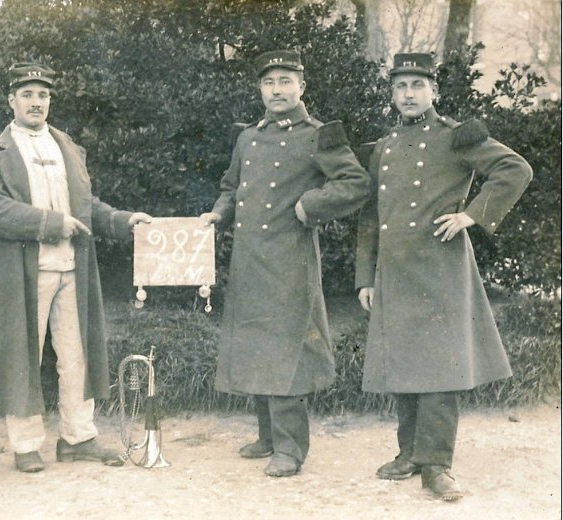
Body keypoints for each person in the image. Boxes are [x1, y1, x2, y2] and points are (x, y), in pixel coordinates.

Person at [355, 53, 532, 501]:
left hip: (439, 268)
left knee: (439, 367)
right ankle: (410, 453)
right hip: (394, 272)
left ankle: (437, 465)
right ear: (392, 94)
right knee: (405, 363)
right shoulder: (384, 146)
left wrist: (471, 216)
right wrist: (365, 277)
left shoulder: (457, 137)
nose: (409, 95)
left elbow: (515, 169)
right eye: (400, 87)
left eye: (418, 86)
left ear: (434, 91)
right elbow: (370, 216)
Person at [0, 62, 152, 473]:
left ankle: (78, 437)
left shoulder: (66, 145)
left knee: (76, 355)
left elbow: (85, 206)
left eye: (43, 95)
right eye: (28, 94)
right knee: (24, 355)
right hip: (25, 271)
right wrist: (52, 224)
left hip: (75, 267)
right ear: (11, 100)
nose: (36, 102)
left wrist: (123, 220)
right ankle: (26, 445)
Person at [200, 49, 370, 477]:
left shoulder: (318, 135)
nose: (276, 90)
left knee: (286, 350)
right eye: (268, 83)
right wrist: (219, 213)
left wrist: (310, 206)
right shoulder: (248, 137)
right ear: (260, 89)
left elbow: (355, 183)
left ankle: (291, 450)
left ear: (301, 86)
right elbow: (231, 185)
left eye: (285, 81)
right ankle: (268, 436)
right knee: (257, 344)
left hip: (291, 263)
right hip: (249, 261)